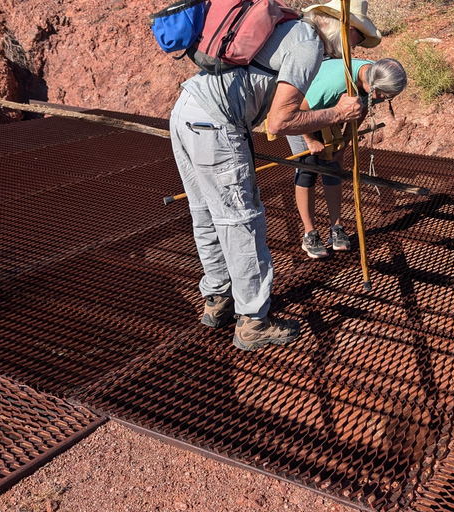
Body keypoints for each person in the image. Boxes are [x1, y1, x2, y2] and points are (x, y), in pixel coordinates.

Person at [169, 0, 381, 351]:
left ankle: (219, 298)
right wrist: (338, 113)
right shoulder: (308, 44)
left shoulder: (288, 30)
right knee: (242, 220)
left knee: (205, 212)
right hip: (217, 125)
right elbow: (280, 122)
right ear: (342, 29)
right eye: (357, 38)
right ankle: (253, 321)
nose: (355, 47)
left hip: (187, 111)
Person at [287, 57, 407, 258]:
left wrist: (345, 142)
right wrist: (310, 140)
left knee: (333, 168)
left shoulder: (376, 82)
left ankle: (336, 228)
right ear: (375, 88)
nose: (385, 98)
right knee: (308, 170)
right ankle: (309, 234)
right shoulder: (335, 85)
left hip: (330, 112)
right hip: (300, 115)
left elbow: (362, 108)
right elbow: (298, 111)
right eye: (385, 96)